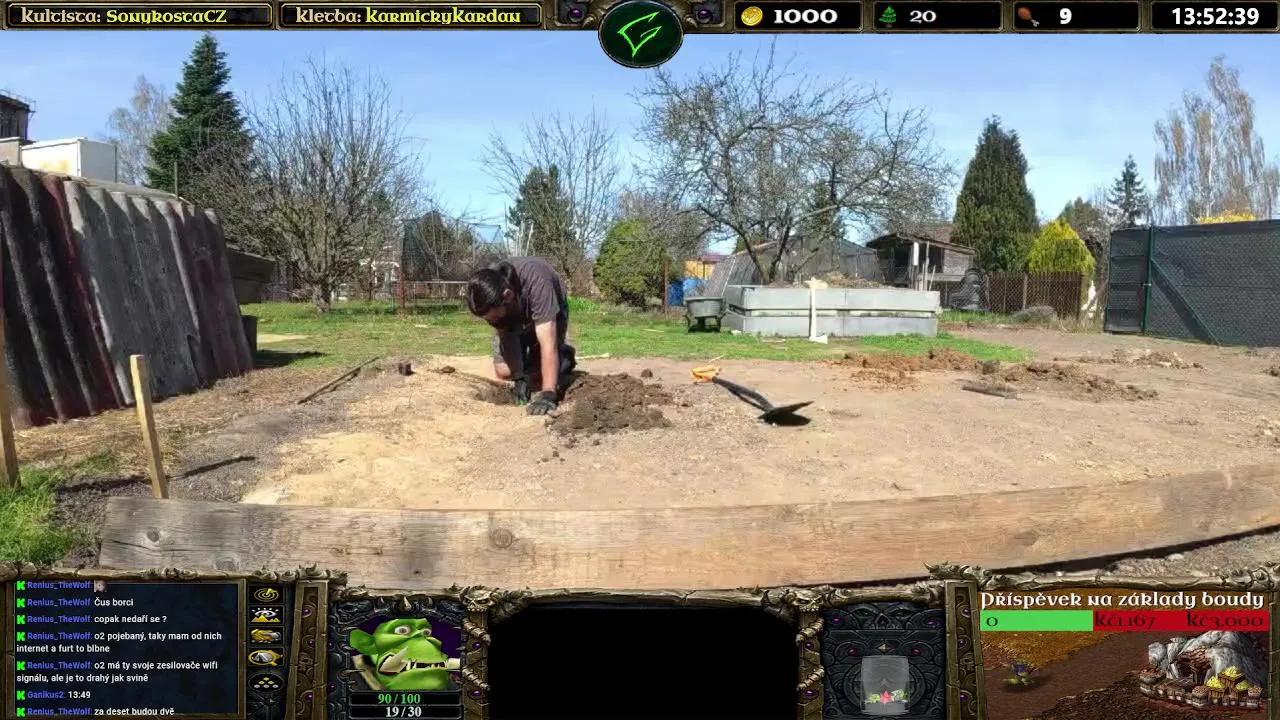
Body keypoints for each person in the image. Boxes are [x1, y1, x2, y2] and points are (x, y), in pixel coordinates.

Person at [465, 257, 577, 415]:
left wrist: (548, 393)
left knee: (544, 372)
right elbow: (504, 334)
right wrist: (519, 376)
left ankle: (564, 357)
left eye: (494, 318)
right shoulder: (488, 290)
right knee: (504, 372)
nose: (492, 322)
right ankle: (529, 365)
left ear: (507, 295)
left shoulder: (538, 282)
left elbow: (548, 344)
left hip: (550, 307)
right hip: (514, 313)